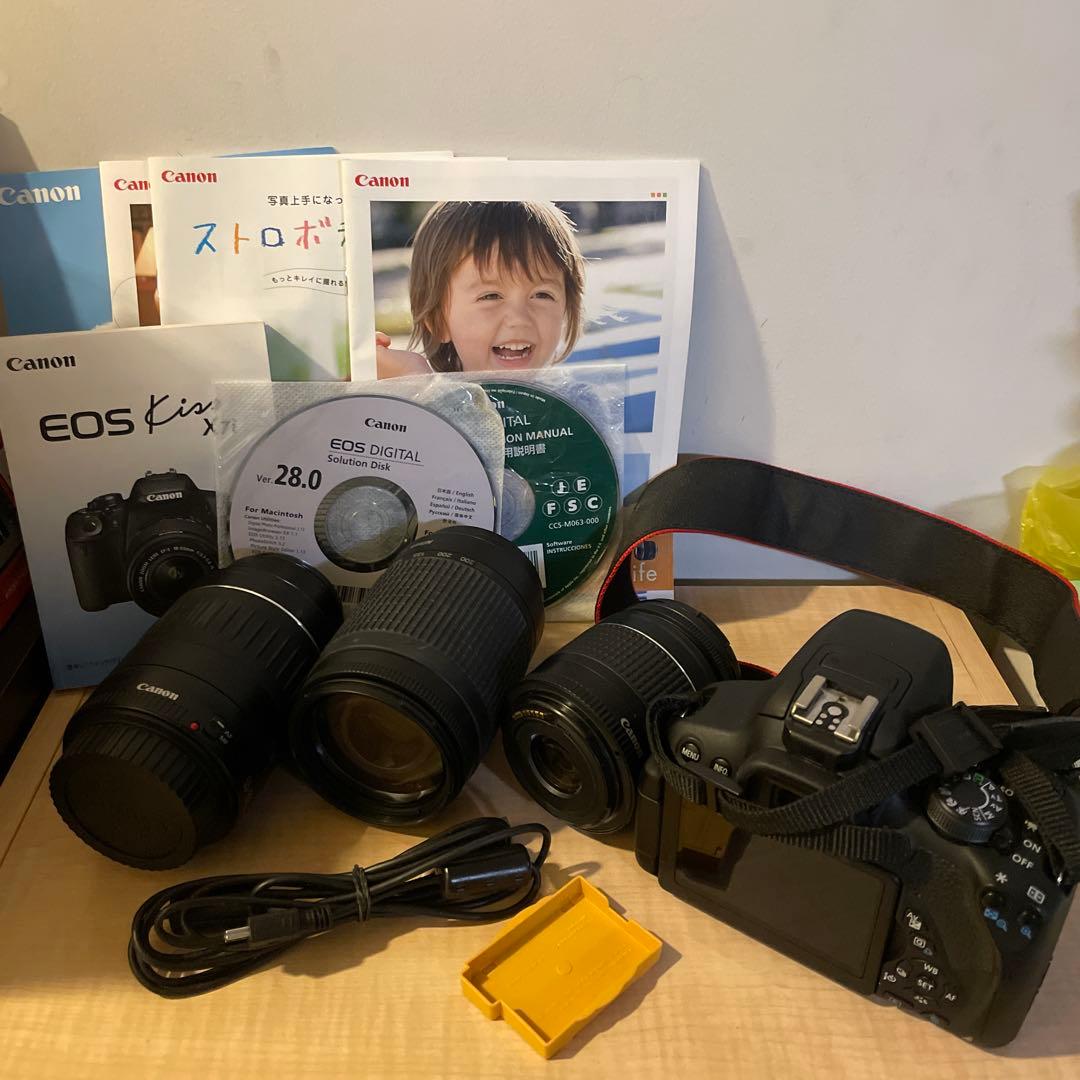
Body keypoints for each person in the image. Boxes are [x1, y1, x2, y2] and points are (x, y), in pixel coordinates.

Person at [376, 201, 587, 378]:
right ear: (438, 320)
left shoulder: (580, 404)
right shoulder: (425, 402)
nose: (519, 318)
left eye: (542, 295)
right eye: (491, 296)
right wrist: (417, 386)